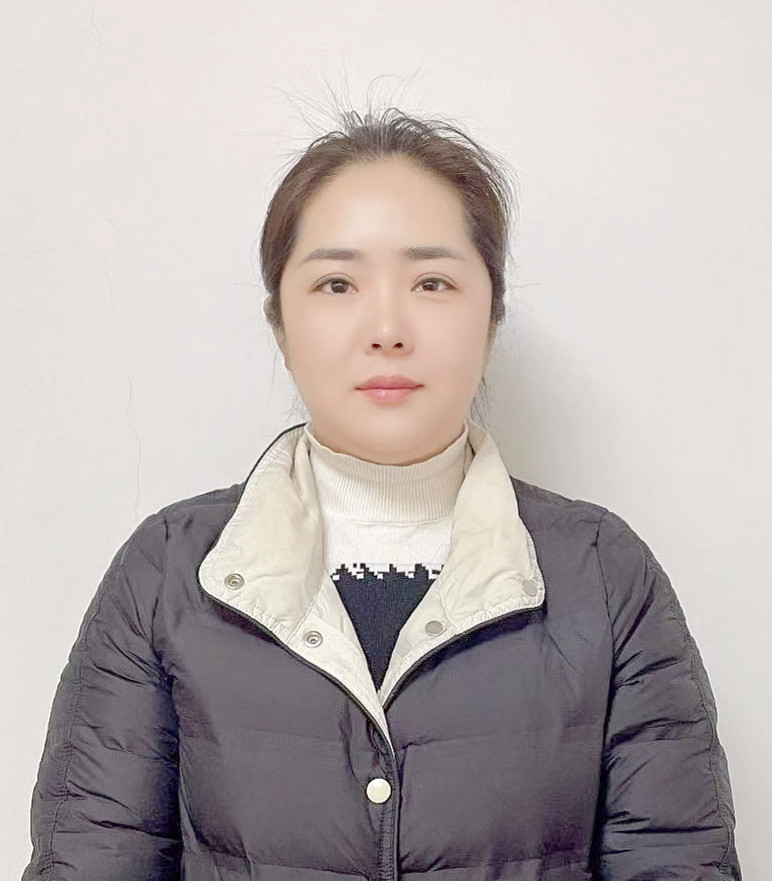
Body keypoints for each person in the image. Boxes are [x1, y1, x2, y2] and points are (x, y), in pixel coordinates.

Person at [22, 106, 741, 880]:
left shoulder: (604, 575)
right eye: (337, 283)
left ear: (490, 317)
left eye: (432, 281)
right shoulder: (168, 572)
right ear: (280, 323)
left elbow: (677, 860)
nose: (387, 328)